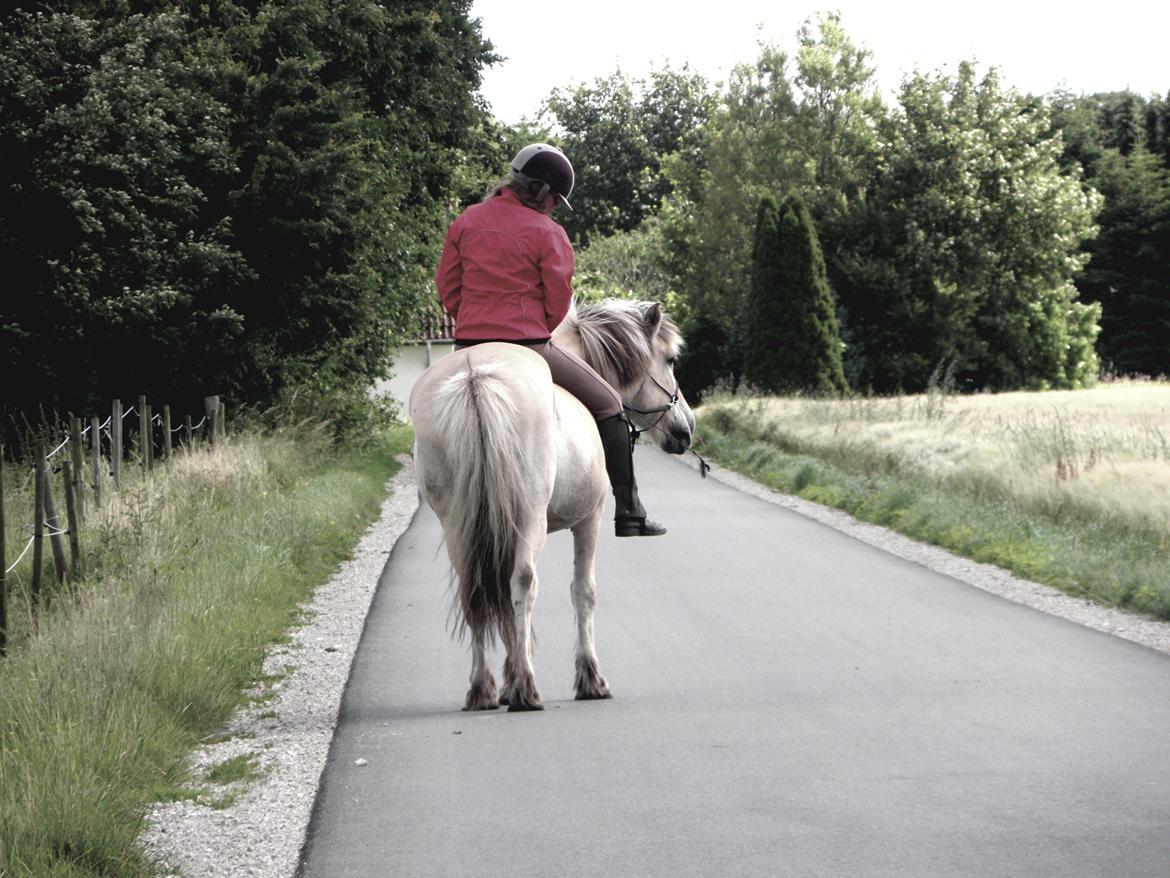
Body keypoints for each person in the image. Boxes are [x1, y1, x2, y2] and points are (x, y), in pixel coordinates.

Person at [434, 142, 666, 537]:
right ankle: (630, 512)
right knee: (610, 403)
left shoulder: (466, 221)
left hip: (469, 345)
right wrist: (530, 328)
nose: (555, 207)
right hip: (528, 345)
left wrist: (472, 321)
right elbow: (558, 300)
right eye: (556, 199)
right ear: (542, 192)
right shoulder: (548, 232)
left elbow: (447, 287)